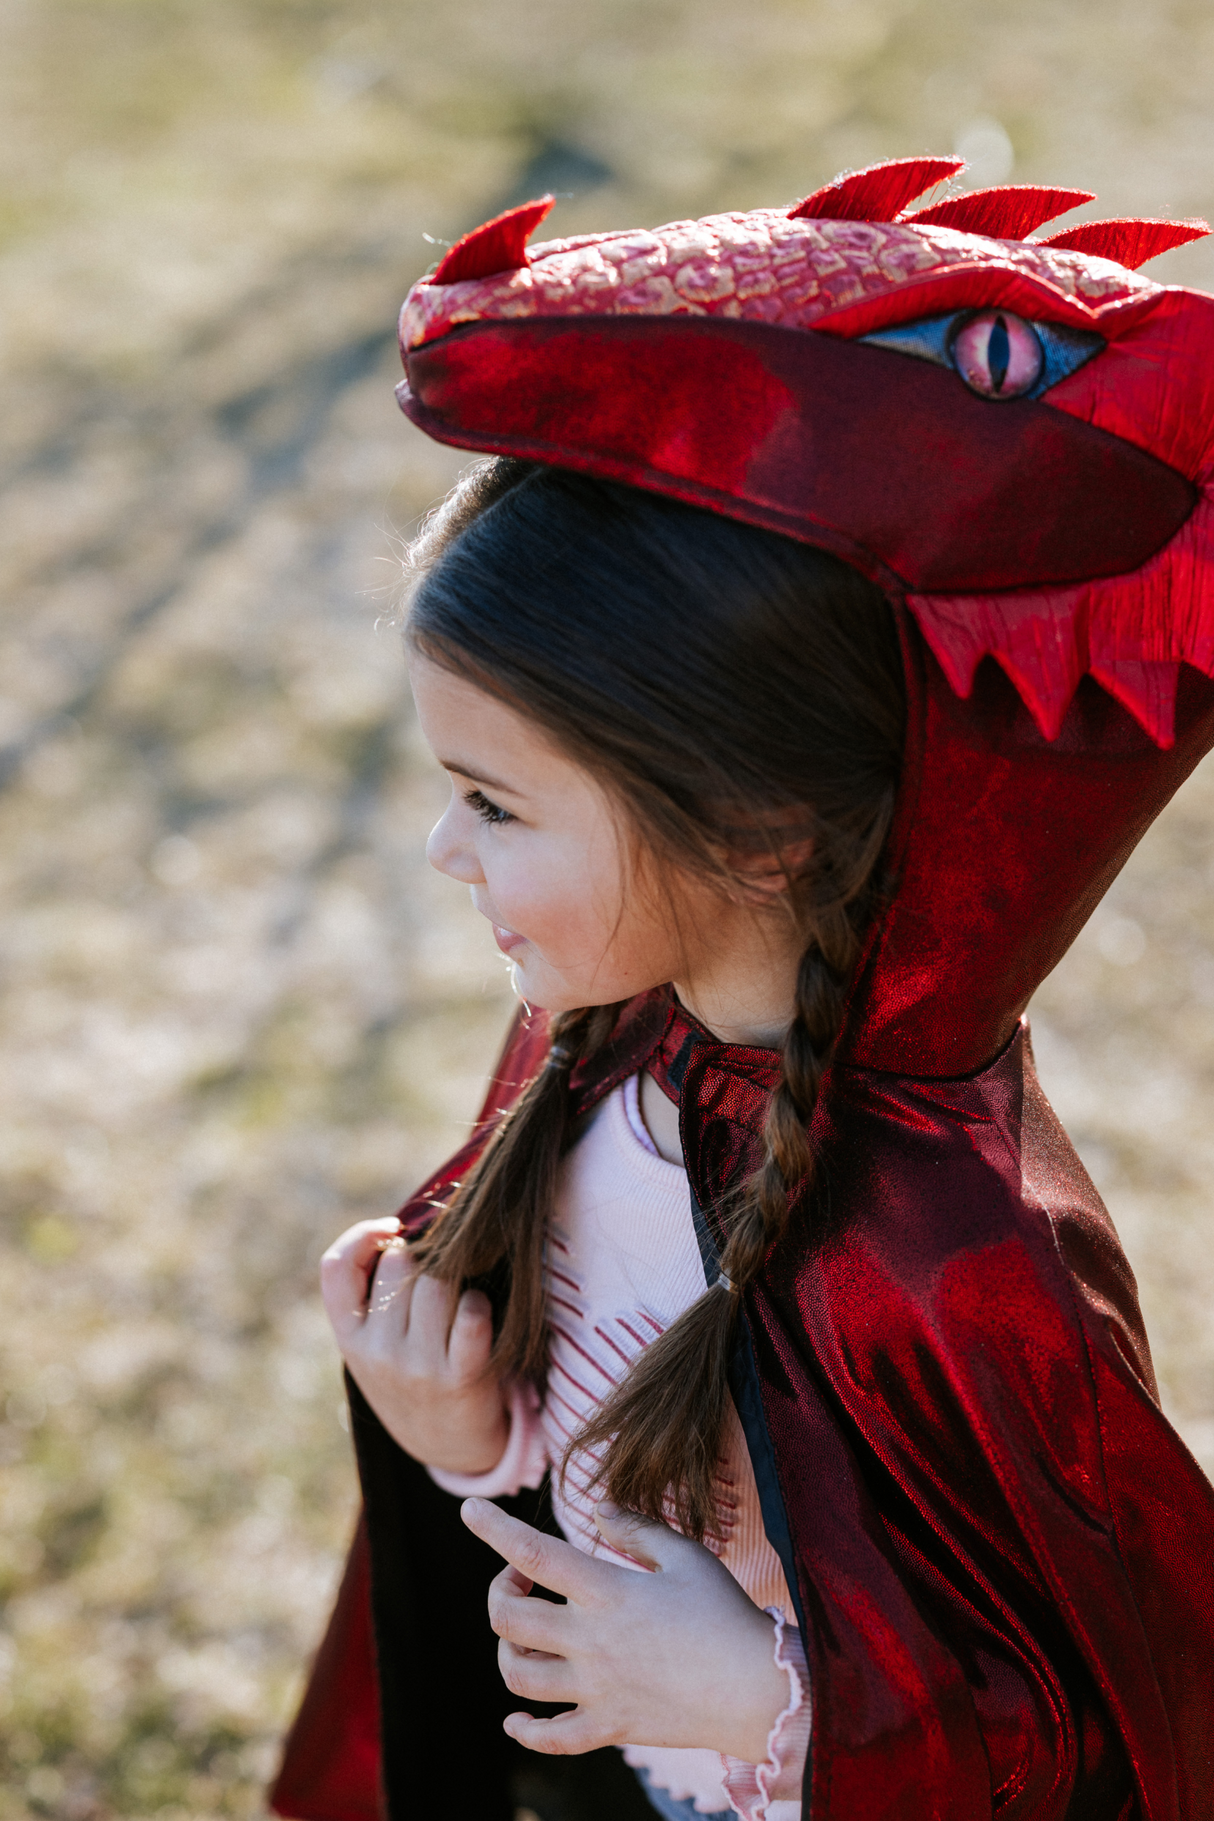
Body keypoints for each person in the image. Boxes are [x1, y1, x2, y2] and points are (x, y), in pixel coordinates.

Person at [271, 158, 1214, 1821]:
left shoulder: (952, 1263)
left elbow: (1102, 1733)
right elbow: (616, 1484)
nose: (441, 848)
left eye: (495, 802)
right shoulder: (595, 1068)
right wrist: (471, 1437)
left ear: (761, 831)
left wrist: (763, 1701)